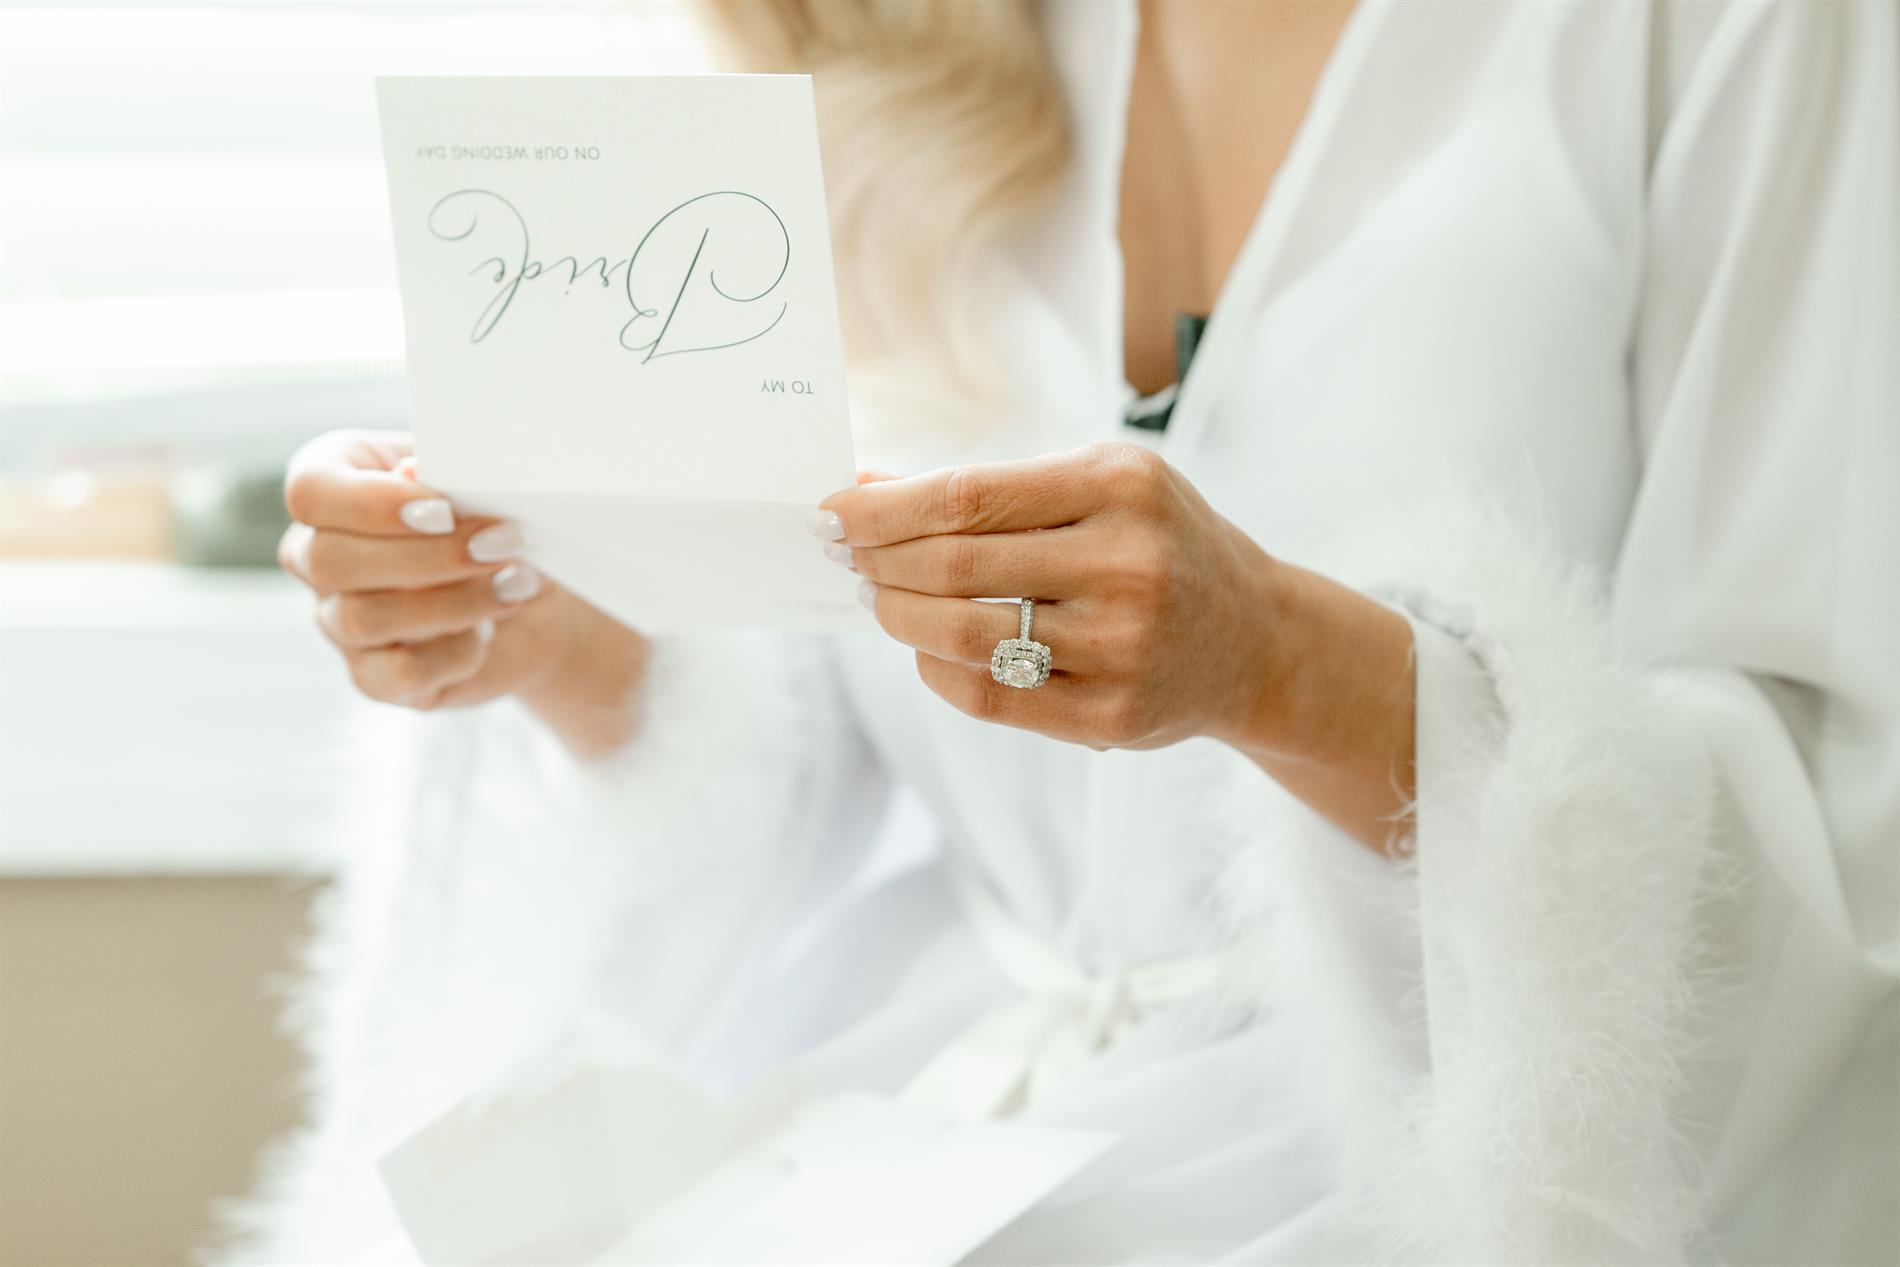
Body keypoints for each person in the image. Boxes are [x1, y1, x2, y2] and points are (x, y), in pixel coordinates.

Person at [231, 1, 1898, 1263]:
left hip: (1431, 1171)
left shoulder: (1742, 34)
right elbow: (861, 757)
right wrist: (575, 652)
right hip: (929, 1112)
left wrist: (1285, 668)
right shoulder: (877, 34)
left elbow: (1845, 835)